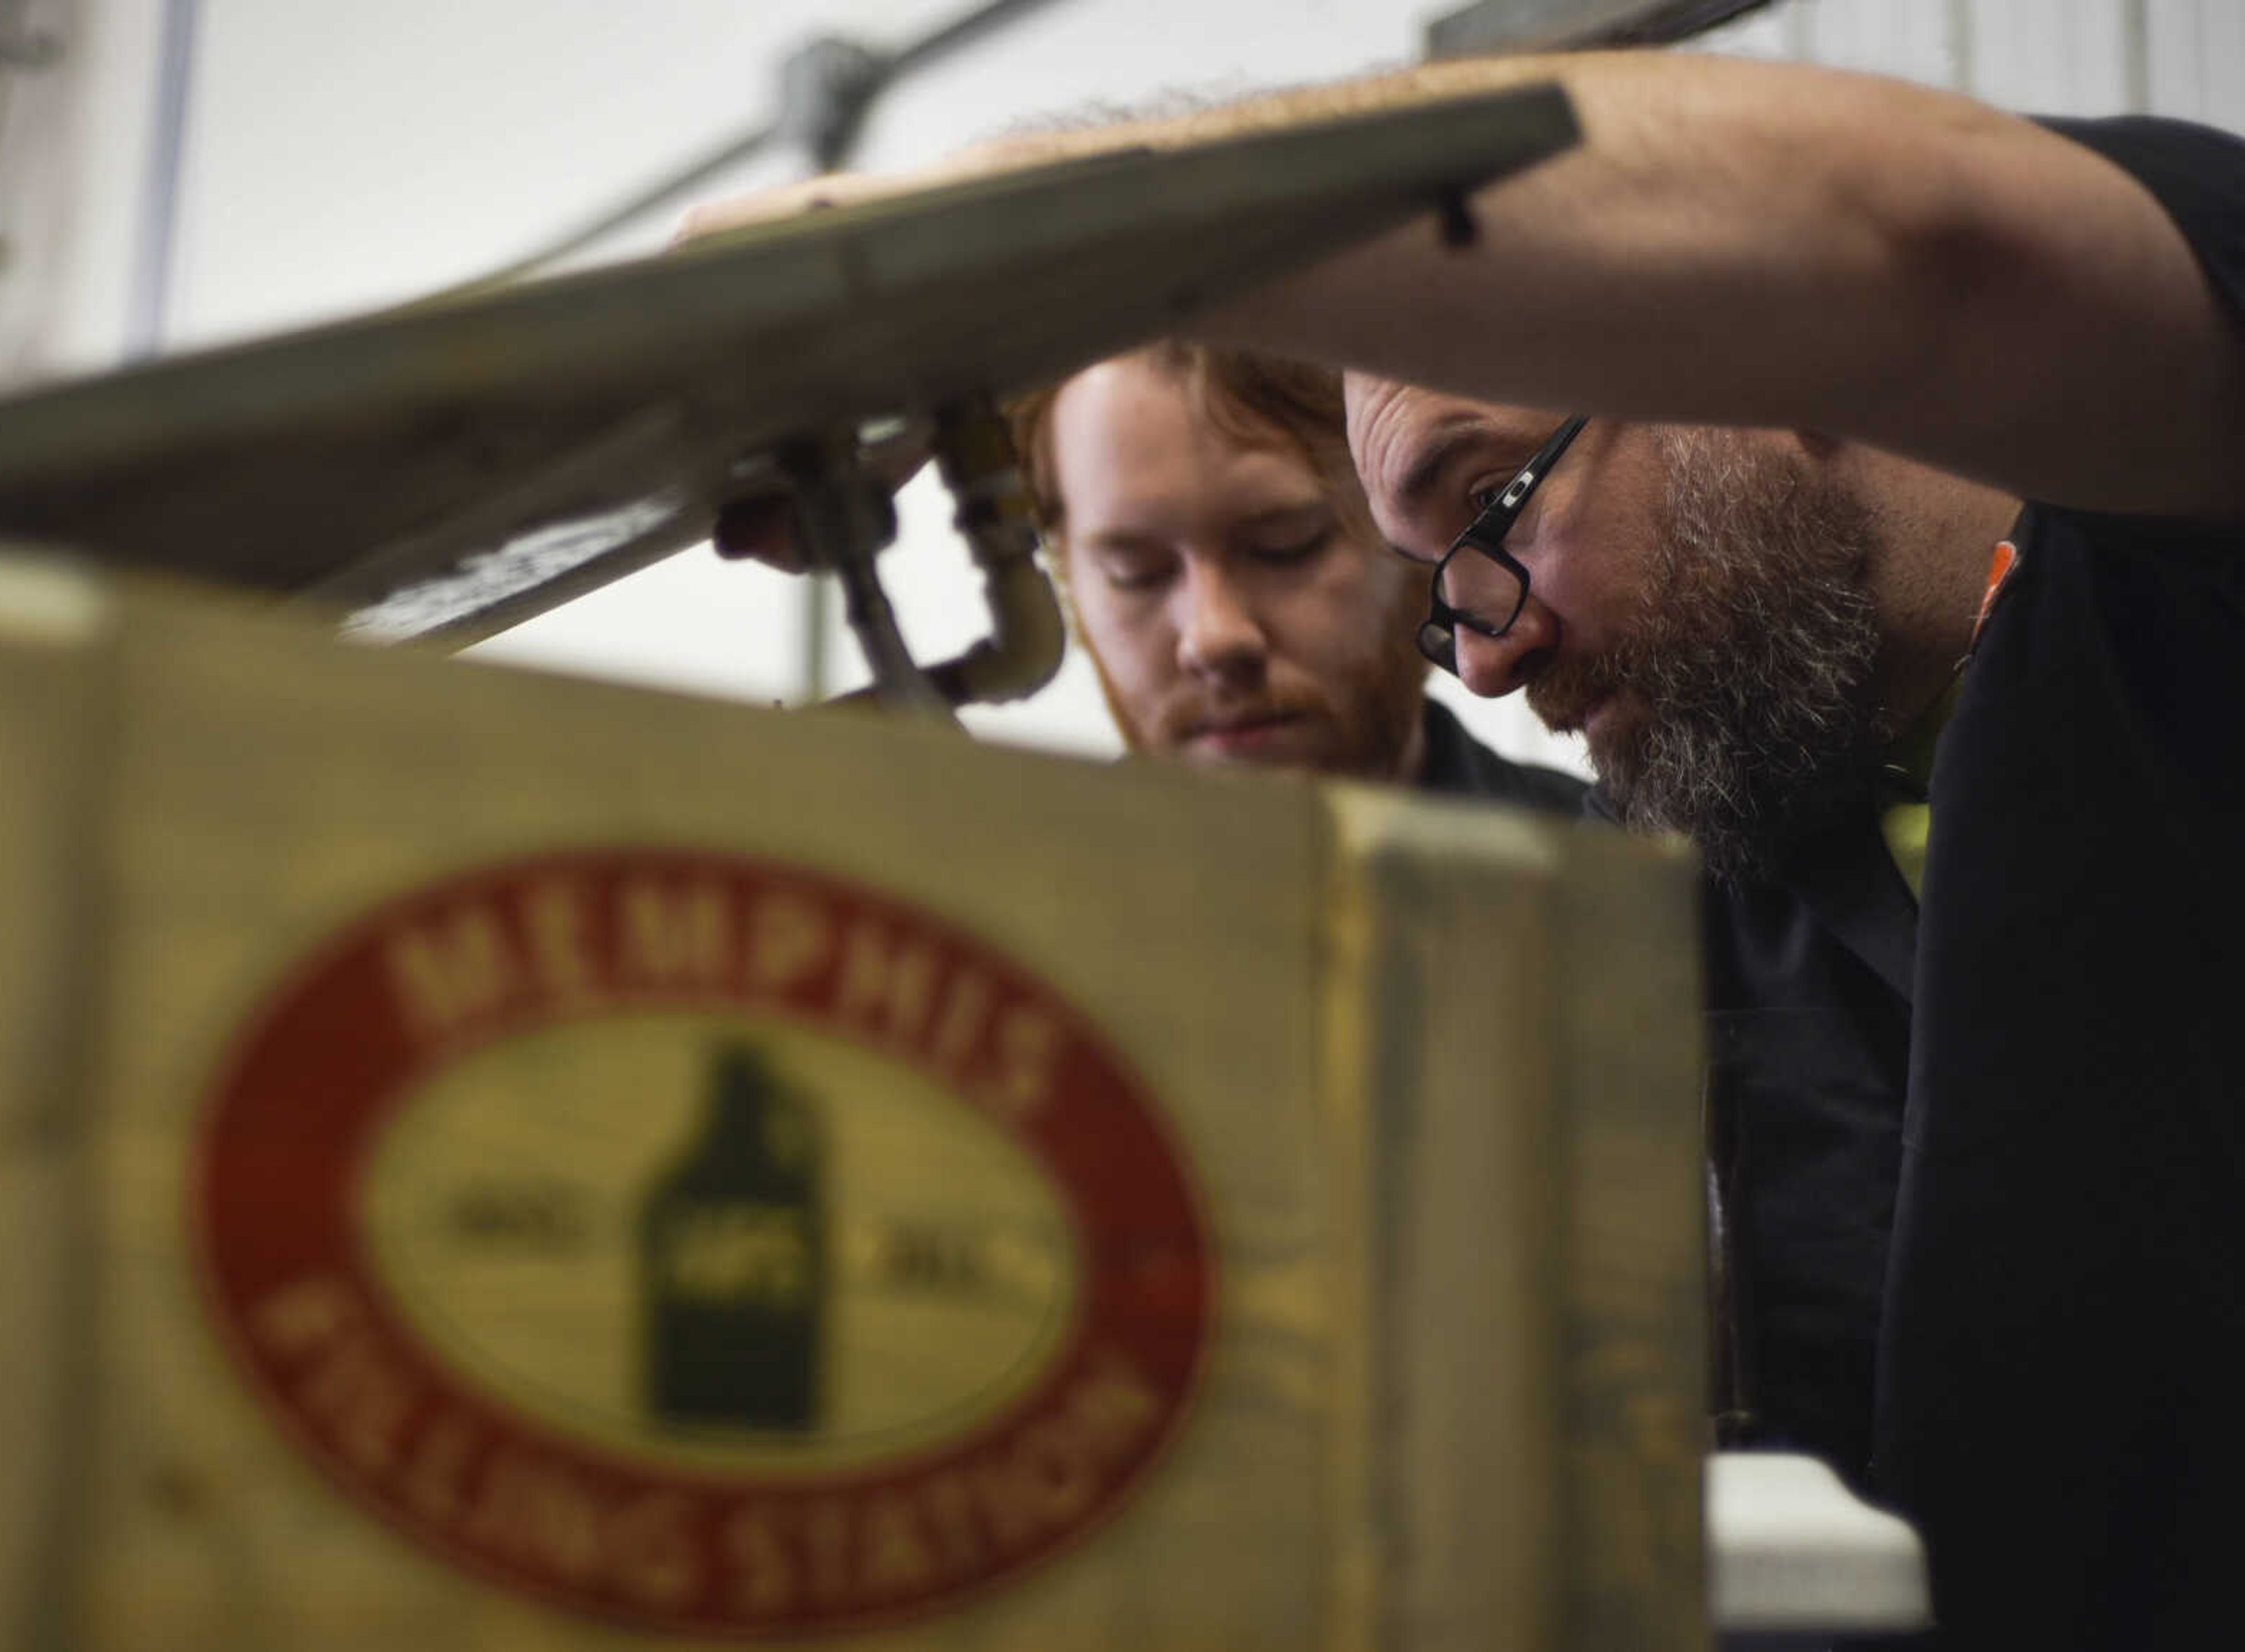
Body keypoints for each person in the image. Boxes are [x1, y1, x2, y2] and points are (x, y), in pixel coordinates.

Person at [687, 51, 2245, 1647]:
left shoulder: (2163, 573)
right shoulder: (1849, 807)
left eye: (1486, 499)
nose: (1487, 658)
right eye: (1133, 568)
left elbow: (1916, 221)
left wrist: (984, 233)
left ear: (1762, 331)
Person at [1007, 341, 1584, 807]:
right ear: (1064, 574)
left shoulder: (1632, 892)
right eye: (1136, 573)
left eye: (1286, 548)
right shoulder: (974, 919)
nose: (1213, 637)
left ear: (1417, 546)